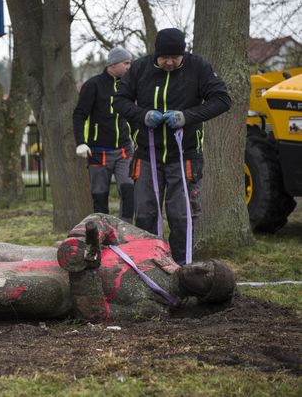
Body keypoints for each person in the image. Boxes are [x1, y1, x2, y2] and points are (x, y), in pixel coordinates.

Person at [113, 28, 231, 264]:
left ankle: (182, 269)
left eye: (174, 58)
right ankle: (147, 268)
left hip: (184, 156)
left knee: (181, 216)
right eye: (164, 57)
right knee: (145, 215)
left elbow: (222, 100)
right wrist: (143, 115)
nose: (168, 62)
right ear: (156, 54)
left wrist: (187, 116)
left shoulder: (198, 68)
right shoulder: (140, 68)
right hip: (147, 155)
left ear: (182, 54)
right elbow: (119, 100)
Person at [57, 214, 236, 322]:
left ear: (202, 297)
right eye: (205, 265)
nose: (199, 269)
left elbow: (96, 315)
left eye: (206, 277)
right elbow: (102, 220)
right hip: (49, 257)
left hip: (58, 290)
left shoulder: (155, 308)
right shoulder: (157, 246)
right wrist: (81, 242)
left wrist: (88, 272)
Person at [73, 47, 135, 223]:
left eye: (130, 63)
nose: (129, 67)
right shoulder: (93, 85)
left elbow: (133, 114)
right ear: (113, 64)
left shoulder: (128, 85)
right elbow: (79, 115)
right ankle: (104, 231)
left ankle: (126, 228)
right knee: (100, 195)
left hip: (124, 150)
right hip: (98, 152)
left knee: (129, 189)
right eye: (126, 63)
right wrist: (80, 142)